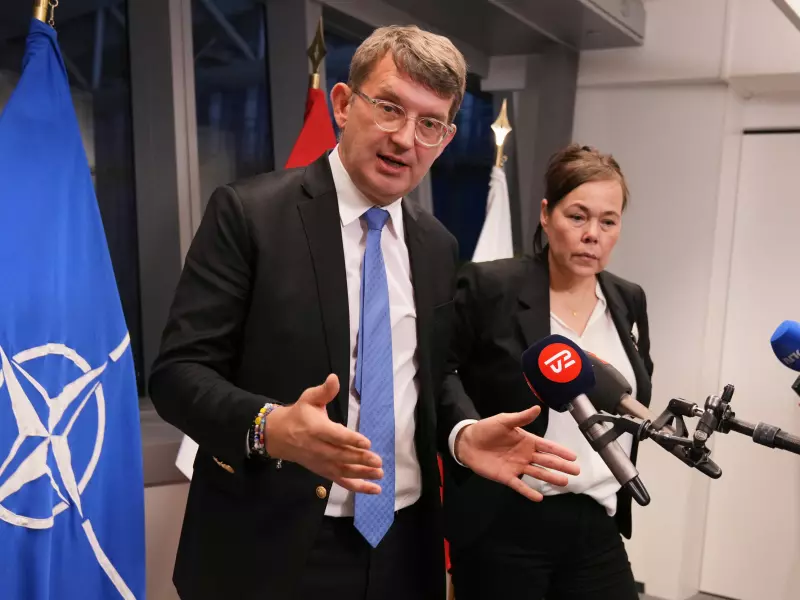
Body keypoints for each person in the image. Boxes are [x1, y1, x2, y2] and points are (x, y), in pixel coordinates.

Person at [149, 26, 580, 600]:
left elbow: (430, 376)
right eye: (389, 108)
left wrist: (462, 434)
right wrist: (270, 427)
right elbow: (178, 374)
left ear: (446, 138)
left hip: (404, 546)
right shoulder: (250, 215)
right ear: (344, 104)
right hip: (271, 546)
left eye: (429, 124)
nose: (405, 138)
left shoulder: (437, 245)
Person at [443, 144, 654, 600]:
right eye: (577, 216)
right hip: (505, 519)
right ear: (546, 214)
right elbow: (441, 371)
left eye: (608, 221)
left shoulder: (628, 299)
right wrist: (466, 430)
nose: (592, 234)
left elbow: (635, 391)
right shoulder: (490, 286)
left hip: (596, 518)